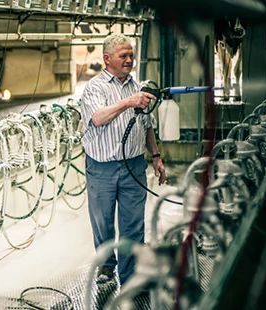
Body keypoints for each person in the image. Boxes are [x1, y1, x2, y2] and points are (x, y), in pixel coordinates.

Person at [79, 33, 167, 285]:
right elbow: (97, 118)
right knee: (103, 222)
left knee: (133, 225)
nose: (130, 60)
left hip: (134, 165)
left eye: (131, 55)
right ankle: (107, 266)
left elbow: (147, 124)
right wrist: (129, 102)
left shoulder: (136, 85)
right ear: (107, 59)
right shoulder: (95, 87)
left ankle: (131, 277)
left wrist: (156, 156)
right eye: (124, 56)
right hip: (102, 168)